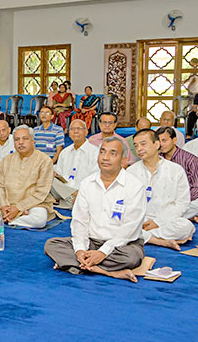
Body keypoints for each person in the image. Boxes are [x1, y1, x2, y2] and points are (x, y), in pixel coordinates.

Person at [44, 137, 146, 283]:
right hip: (91, 241)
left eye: (112, 153)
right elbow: (80, 221)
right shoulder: (87, 183)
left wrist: (103, 252)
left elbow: (129, 228)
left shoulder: (134, 186)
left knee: (132, 257)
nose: (105, 157)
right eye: (102, 152)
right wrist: (80, 250)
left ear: (123, 161)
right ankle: (106, 271)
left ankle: (76, 265)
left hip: (122, 245)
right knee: (51, 245)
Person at [128, 129, 194, 250]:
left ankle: (143, 237)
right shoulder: (131, 172)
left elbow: (182, 203)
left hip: (166, 220)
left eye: (143, 144)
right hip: (140, 221)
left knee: (186, 226)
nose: (139, 149)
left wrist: (158, 222)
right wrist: (139, 222)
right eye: (136, 146)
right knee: (120, 225)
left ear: (156, 144)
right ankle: (158, 240)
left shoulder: (176, 170)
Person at [0, 125, 55, 229]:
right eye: (17, 139)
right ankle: (12, 218)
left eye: (25, 139)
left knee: (40, 218)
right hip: (6, 203)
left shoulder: (44, 161)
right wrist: (3, 206)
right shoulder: (6, 160)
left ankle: (2, 218)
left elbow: (41, 192)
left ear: (32, 141)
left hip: (32, 205)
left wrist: (18, 208)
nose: (20, 142)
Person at [50, 119, 98, 209]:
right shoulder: (65, 152)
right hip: (63, 191)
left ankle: (66, 201)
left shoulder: (95, 152)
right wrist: (55, 175)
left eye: (79, 128)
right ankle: (72, 200)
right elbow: (60, 175)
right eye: (72, 129)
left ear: (86, 132)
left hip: (83, 192)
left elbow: (95, 178)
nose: (75, 131)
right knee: (47, 176)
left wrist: (81, 193)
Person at [158, 126, 198, 221]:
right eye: (159, 141)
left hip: (186, 199)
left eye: (164, 141)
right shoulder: (157, 158)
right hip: (163, 198)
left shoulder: (190, 160)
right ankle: (183, 217)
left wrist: (179, 200)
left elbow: (196, 188)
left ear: (174, 140)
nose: (161, 144)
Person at [184, 75, 198, 140]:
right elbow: (195, 107)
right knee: (191, 115)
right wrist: (196, 111)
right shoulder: (197, 96)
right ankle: (189, 134)